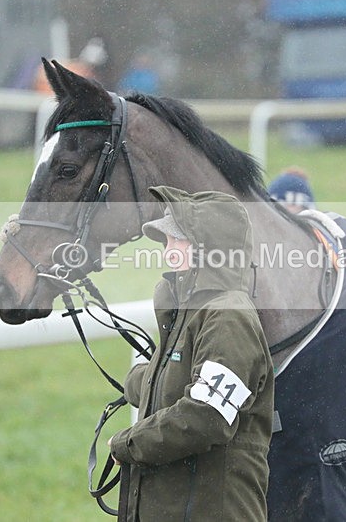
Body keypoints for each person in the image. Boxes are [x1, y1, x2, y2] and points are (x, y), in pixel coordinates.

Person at [108, 186, 274, 522]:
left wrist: (128, 444)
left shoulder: (228, 317)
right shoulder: (188, 310)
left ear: (208, 249)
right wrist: (140, 381)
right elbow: (181, 381)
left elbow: (206, 417)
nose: (167, 250)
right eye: (167, 241)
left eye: (177, 240)